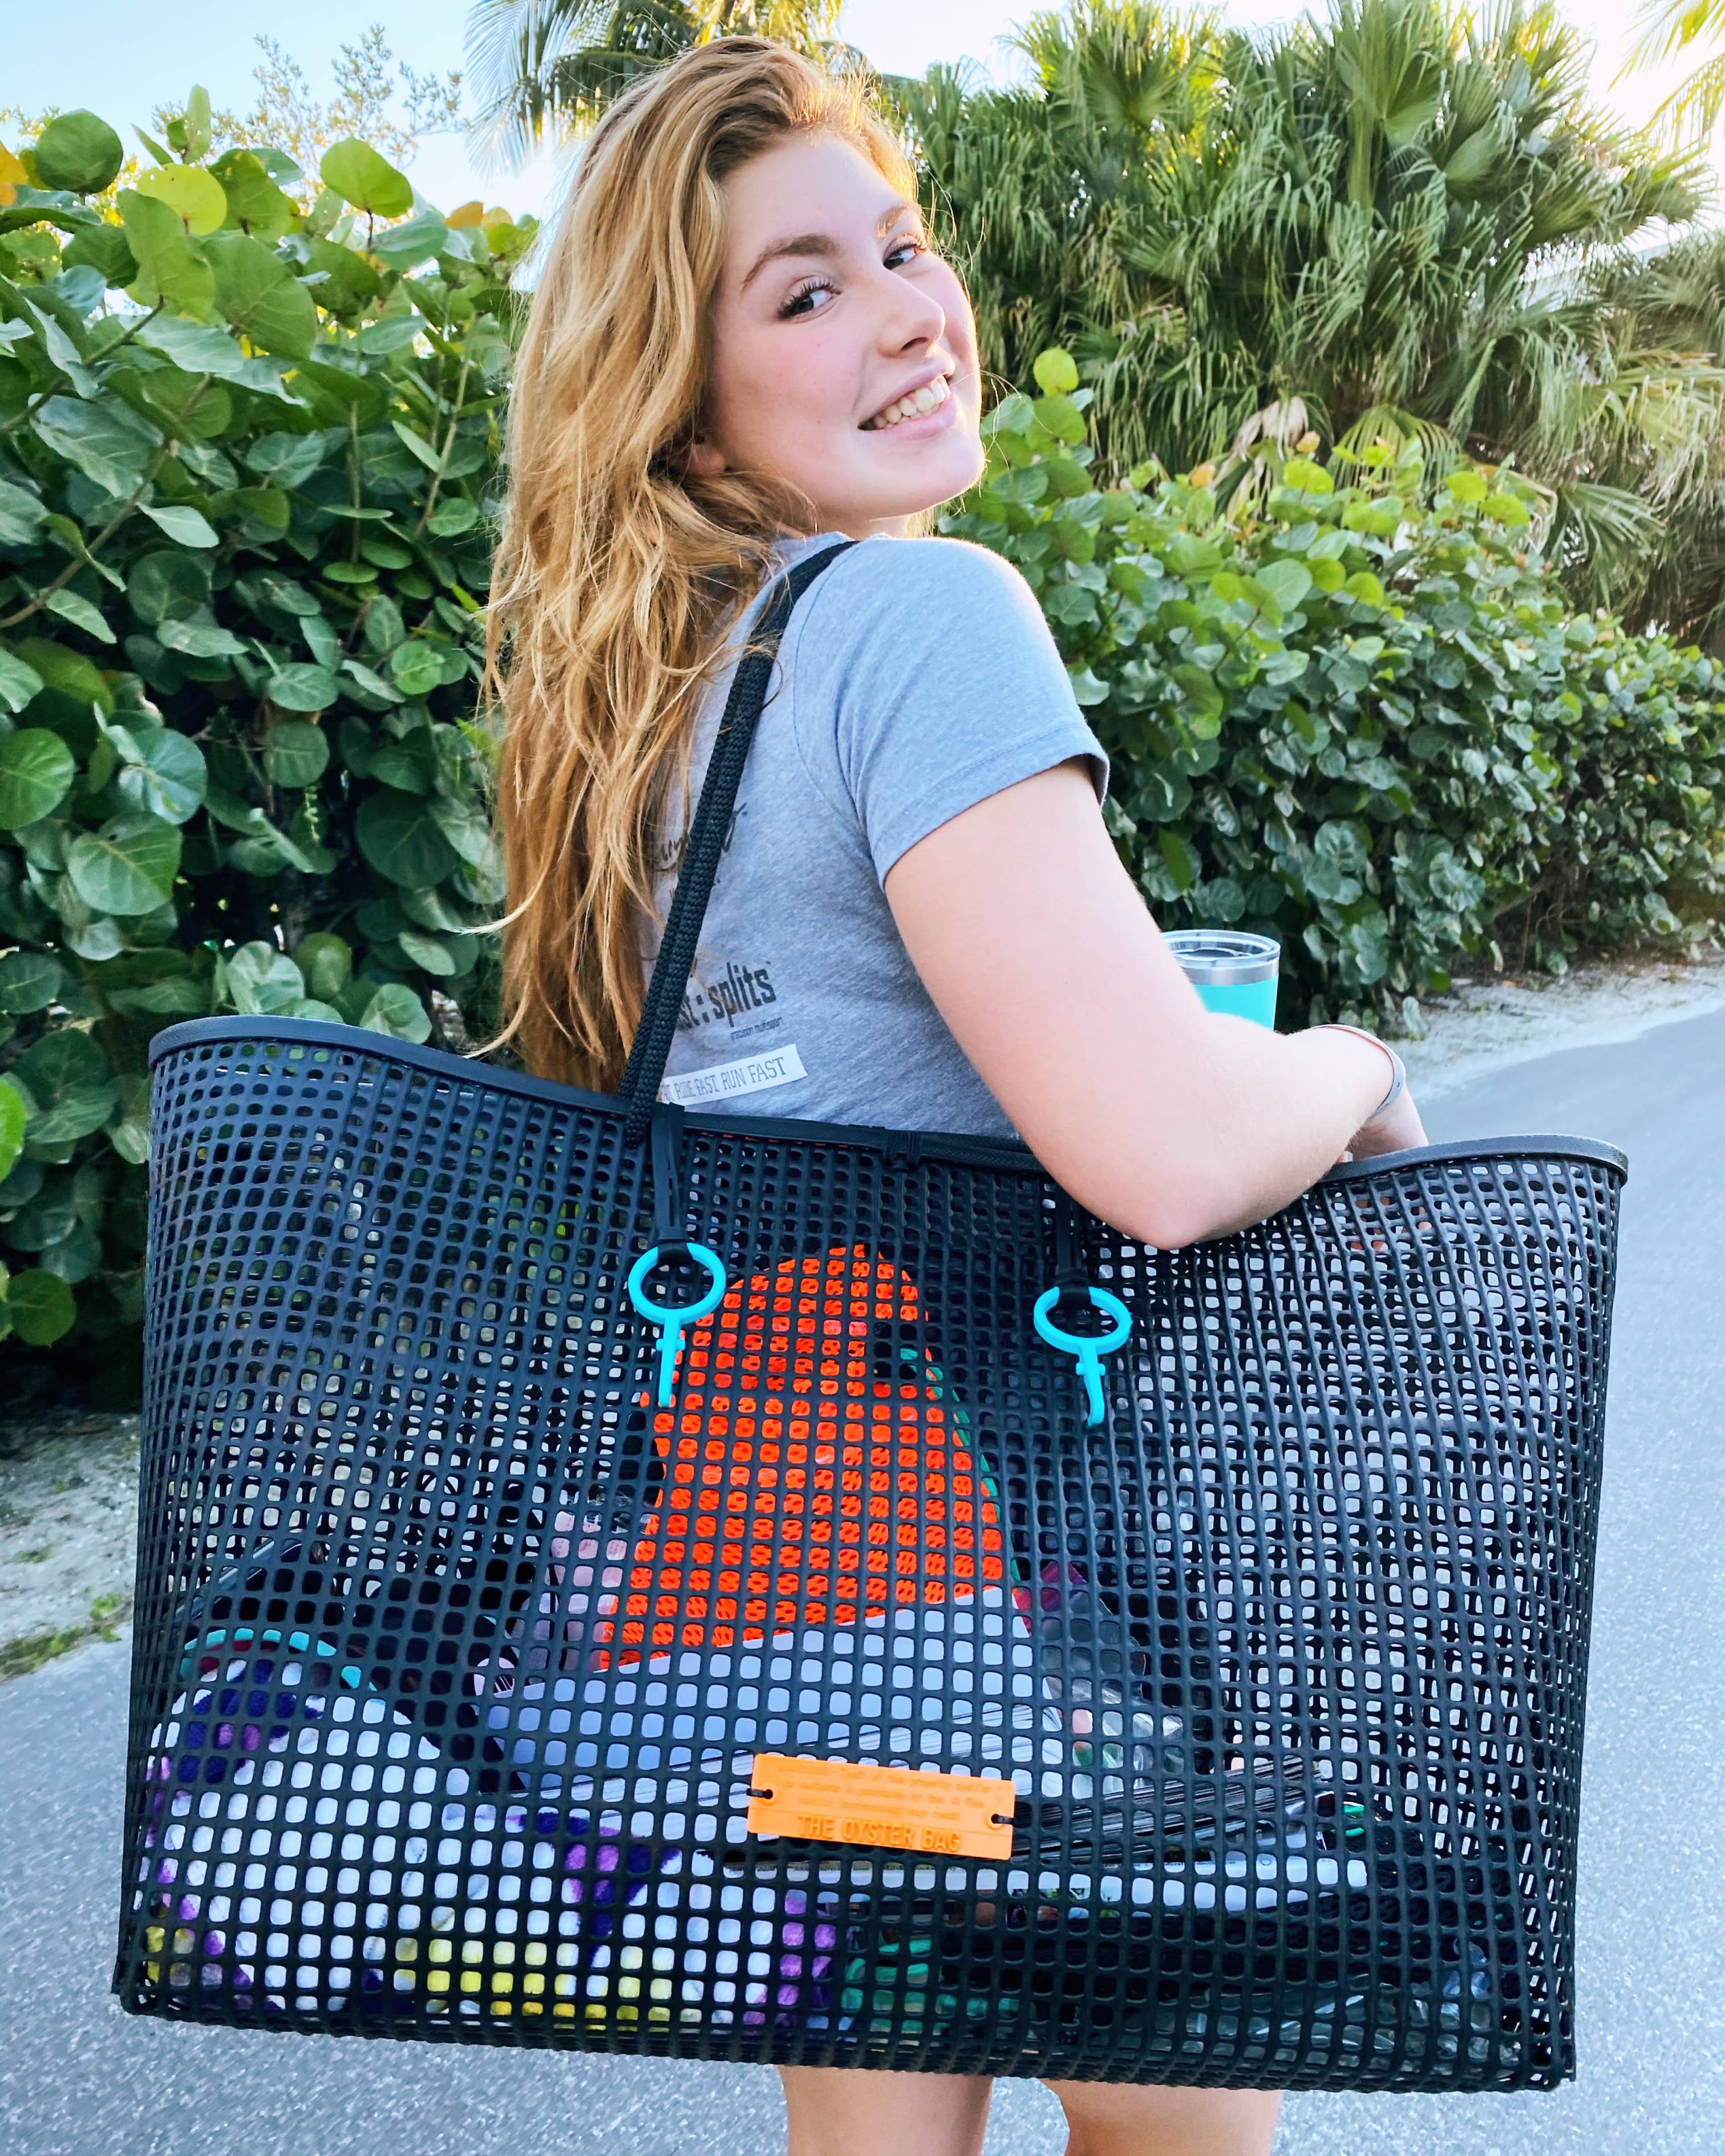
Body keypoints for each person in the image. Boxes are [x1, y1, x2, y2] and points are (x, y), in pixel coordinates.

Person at [487, 35, 1427, 2156]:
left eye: (902, 248)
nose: (912, 312)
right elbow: (1164, 1155)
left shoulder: (633, 713)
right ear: (684, 394)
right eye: (806, 289)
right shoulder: (921, 619)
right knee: (1179, 2125)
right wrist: (1356, 1067)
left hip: (753, 1587)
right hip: (997, 1576)